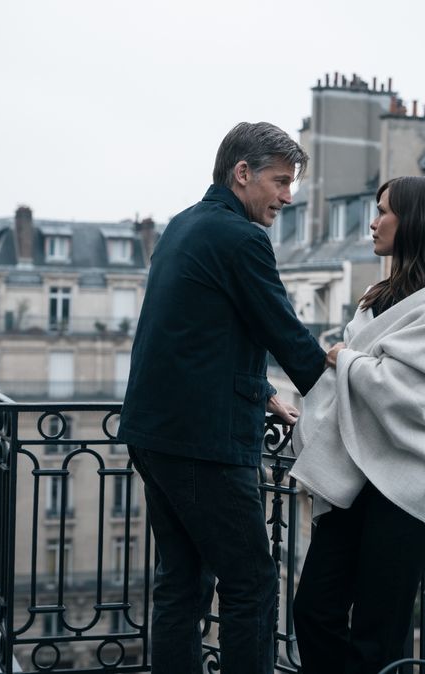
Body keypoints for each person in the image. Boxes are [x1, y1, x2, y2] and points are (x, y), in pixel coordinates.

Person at [117, 121, 329, 674]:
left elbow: (192, 336)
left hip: (154, 433)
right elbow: (286, 335)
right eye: (280, 182)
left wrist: (259, 390)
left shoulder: (184, 225)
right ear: (243, 174)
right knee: (252, 586)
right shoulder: (242, 238)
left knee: (181, 584)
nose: (288, 196)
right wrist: (342, 384)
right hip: (203, 443)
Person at [289, 176, 425, 674]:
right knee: (312, 610)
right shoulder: (378, 296)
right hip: (354, 473)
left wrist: (346, 358)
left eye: (384, 212)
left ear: (413, 221)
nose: (373, 222)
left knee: (378, 636)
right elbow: (360, 374)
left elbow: (411, 394)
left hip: (405, 483)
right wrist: (349, 362)